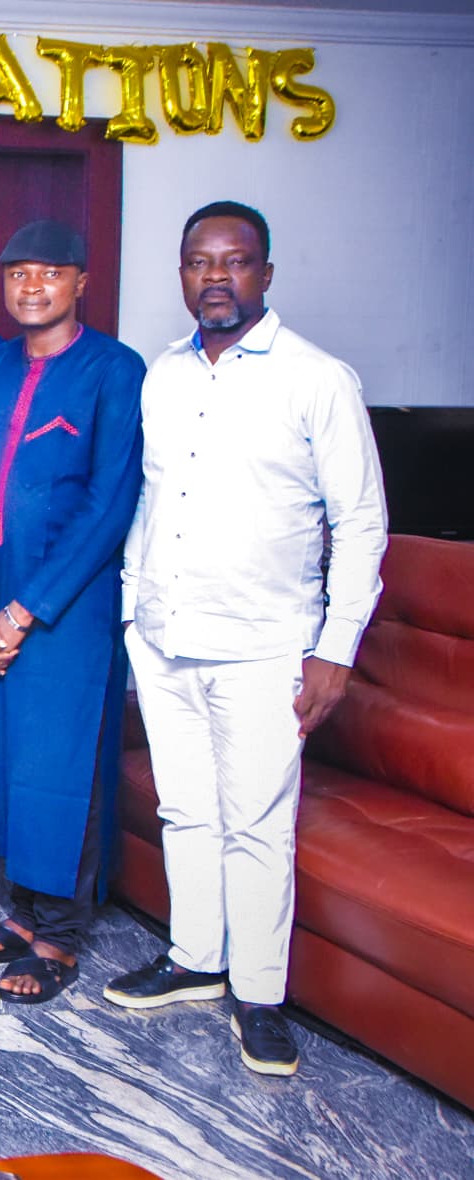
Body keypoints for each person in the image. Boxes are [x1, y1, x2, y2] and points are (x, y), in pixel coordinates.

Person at [103, 200, 385, 1077]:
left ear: (266, 273)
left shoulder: (317, 378)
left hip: (267, 645)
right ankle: (195, 959)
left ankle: (259, 995)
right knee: (186, 806)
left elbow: (363, 521)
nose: (214, 276)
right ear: (181, 273)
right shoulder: (163, 374)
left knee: (258, 823)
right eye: (198, 261)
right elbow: (150, 499)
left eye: (234, 261)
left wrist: (334, 649)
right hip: (167, 633)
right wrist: (130, 607)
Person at [0, 220, 145, 1005]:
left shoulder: (112, 371)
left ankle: (59, 936)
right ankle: (23, 916)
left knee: (58, 764)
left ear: (80, 282)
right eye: (18, 274)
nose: (31, 288)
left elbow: (108, 505)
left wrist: (24, 611)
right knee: (5, 758)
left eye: (49, 274)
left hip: (66, 607)